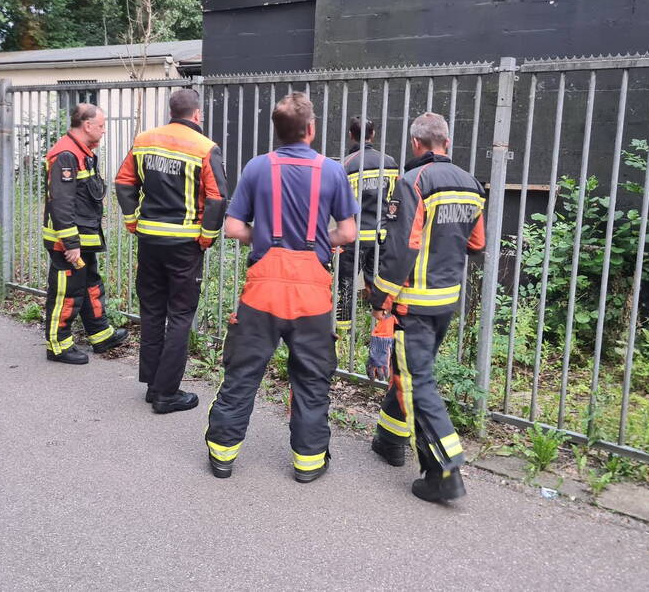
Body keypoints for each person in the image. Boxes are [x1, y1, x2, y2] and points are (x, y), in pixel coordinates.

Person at [205, 92, 358, 483]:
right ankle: (308, 463)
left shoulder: (258, 167)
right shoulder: (332, 171)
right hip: (312, 292)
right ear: (311, 129)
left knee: (243, 372)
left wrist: (264, 239)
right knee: (311, 378)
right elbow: (348, 232)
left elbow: (233, 227)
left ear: (277, 130)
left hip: (263, 289)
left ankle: (222, 455)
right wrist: (322, 242)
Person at [367, 112, 486, 503]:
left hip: (412, 304)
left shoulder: (413, 181)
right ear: (446, 143)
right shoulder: (471, 184)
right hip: (445, 301)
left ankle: (444, 470)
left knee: (417, 382)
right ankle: (390, 440)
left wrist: (381, 300)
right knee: (409, 372)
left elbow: (403, 248)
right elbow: (477, 244)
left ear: (416, 144)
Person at [115, 89, 228, 414]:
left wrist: (132, 220)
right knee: (179, 316)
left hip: (150, 240)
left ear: (171, 111)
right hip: (184, 245)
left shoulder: (144, 140)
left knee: (152, 311)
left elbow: (123, 182)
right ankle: (166, 394)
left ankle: (153, 385)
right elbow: (217, 197)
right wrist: (207, 238)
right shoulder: (205, 147)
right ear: (197, 114)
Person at [43, 104, 128, 365]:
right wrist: (70, 243)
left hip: (83, 237)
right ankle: (58, 345)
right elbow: (62, 203)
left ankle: (100, 335)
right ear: (87, 125)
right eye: (101, 126)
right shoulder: (66, 155)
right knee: (66, 292)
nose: (104, 131)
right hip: (69, 241)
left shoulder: (83, 152)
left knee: (90, 284)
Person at [336, 116, 398, 332]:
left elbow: (339, 202)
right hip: (381, 236)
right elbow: (395, 199)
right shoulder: (389, 162)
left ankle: (344, 333)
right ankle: (382, 330)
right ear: (373, 134)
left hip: (353, 237)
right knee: (379, 285)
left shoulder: (346, 164)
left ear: (350, 135)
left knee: (346, 284)